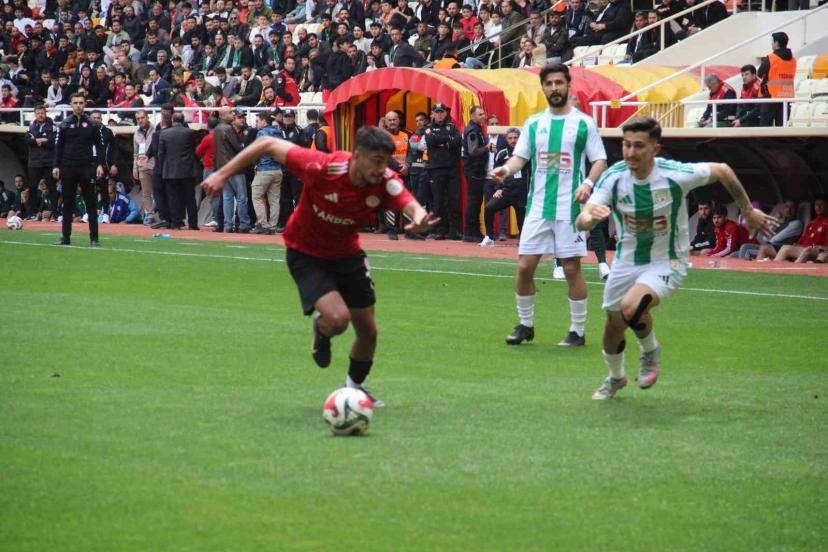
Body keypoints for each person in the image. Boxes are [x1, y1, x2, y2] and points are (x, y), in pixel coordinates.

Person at [201, 126, 439, 407]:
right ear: (357, 155)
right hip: (306, 253)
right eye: (376, 161)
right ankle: (322, 330)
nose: (381, 168)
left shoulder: (385, 180)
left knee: (368, 330)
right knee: (338, 320)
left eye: (385, 162)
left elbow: (409, 203)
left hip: (347, 255)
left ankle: (354, 388)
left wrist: (419, 217)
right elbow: (266, 143)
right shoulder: (324, 167)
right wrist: (222, 174)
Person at [575, 116, 776, 400]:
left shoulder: (674, 175)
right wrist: (588, 218)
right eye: (626, 145)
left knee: (631, 308)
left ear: (655, 148)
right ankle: (616, 377)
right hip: (626, 262)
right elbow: (583, 218)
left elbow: (723, 170)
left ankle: (650, 351)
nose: (631, 152)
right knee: (613, 325)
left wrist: (748, 210)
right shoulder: (613, 178)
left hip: (667, 261)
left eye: (639, 146)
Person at [491, 63, 608, 347]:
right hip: (538, 206)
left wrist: (587, 184)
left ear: (568, 85)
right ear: (543, 88)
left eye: (559, 83)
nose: (554, 88)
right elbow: (520, 157)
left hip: (570, 208)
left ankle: (577, 331)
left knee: (571, 268)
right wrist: (506, 170)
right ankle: (525, 325)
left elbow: (600, 160)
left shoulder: (583, 123)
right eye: (549, 83)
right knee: (524, 267)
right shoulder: (534, 123)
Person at [52, 92, 106, 247]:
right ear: (71, 104)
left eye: (81, 103)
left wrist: (100, 164)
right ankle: (65, 237)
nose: (78, 106)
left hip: (86, 167)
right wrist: (56, 165)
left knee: (91, 203)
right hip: (68, 167)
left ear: (85, 104)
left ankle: (94, 238)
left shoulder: (92, 124)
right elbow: (58, 147)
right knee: (67, 203)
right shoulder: (64, 124)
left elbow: (100, 146)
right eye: (75, 103)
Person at [481, 127, 527, 247]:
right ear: (506, 139)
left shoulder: (527, 154)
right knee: (489, 208)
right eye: (510, 138)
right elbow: (497, 174)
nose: (513, 140)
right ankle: (489, 237)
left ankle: (524, 240)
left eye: (515, 138)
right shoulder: (501, 154)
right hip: (506, 192)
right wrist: (499, 188)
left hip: (522, 193)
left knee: (522, 220)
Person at [424, 103, 462, 239]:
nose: (439, 114)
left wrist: (442, 141)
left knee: (454, 199)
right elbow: (431, 140)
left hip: (452, 168)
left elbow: (458, 141)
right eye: (437, 112)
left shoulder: (452, 126)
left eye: (442, 112)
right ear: (433, 114)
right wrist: (448, 139)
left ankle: (454, 230)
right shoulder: (429, 128)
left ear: (446, 113)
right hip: (436, 169)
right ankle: (441, 230)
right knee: (438, 200)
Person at [158, 112, 199, 230]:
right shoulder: (190, 132)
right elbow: (194, 148)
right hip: (187, 170)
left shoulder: (164, 133)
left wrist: (162, 168)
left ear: (172, 120)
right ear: (183, 120)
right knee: (190, 198)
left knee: (173, 198)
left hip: (170, 171)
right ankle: (193, 224)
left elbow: (161, 153)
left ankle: (176, 223)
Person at [214, 107, 251, 233]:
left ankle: (228, 225)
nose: (233, 114)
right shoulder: (228, 129)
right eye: (230, 113)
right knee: (241, 197)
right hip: (234, 168)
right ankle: (244, 224)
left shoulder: (217, 128)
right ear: (223, 115)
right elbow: (239, 148)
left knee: (227, 197)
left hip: (222, 167)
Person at [251, 112, 284, 235]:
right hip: (278, 170)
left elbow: (257, 151)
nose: (256, 123)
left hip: (264, 169)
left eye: (258, 121)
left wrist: (255, 162)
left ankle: (263, 224)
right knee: (274, 200)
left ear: (264, 121)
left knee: (256, 196)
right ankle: (272, 226)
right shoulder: (279, 132)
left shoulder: (261, 133)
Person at [771, 196, 828, 263]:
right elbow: (804, 238)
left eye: (822, 204)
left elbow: (826, 245)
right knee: (785, 247)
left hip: (821, 250)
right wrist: (797, 244)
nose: (818, 207)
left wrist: (814, 246)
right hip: (807, 247)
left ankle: (794, 268)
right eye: (816, 204)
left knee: (808, 250)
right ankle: (771, 268)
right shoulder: (811, 223)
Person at [462, 105, 489, 242]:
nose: (483, 116)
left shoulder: (477, 128)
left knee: (476, 201)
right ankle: (470, 232)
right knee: (474, 201)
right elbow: (473, 151)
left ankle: (474, 231)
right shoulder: (473, 130)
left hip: (476, 169)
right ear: (472, 116)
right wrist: (487, 147)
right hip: (473, 170)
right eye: (480, 114)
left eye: (483, 114)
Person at [758, 32, 796, 127]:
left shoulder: (770, 58)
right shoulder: (793, 60)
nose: (771, 44)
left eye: (772, 42)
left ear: (777, 43)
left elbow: (759, 74)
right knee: (782, 129)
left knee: (765, 128)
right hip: (786, 98)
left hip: (770, 97)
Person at [24, 104, 56, 217]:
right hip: (34, 162)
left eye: (42, 113)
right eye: (38, 113)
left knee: (51, 187)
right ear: (35, 114)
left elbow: (52, 141)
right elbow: (27, 140)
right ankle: (33, 212)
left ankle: (54, 212)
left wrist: (36, 139)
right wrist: (39, 140)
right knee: (33, 187)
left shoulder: (52, 126)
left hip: (48, 161)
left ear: (45, 113)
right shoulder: (31, 126)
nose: (40, 115)